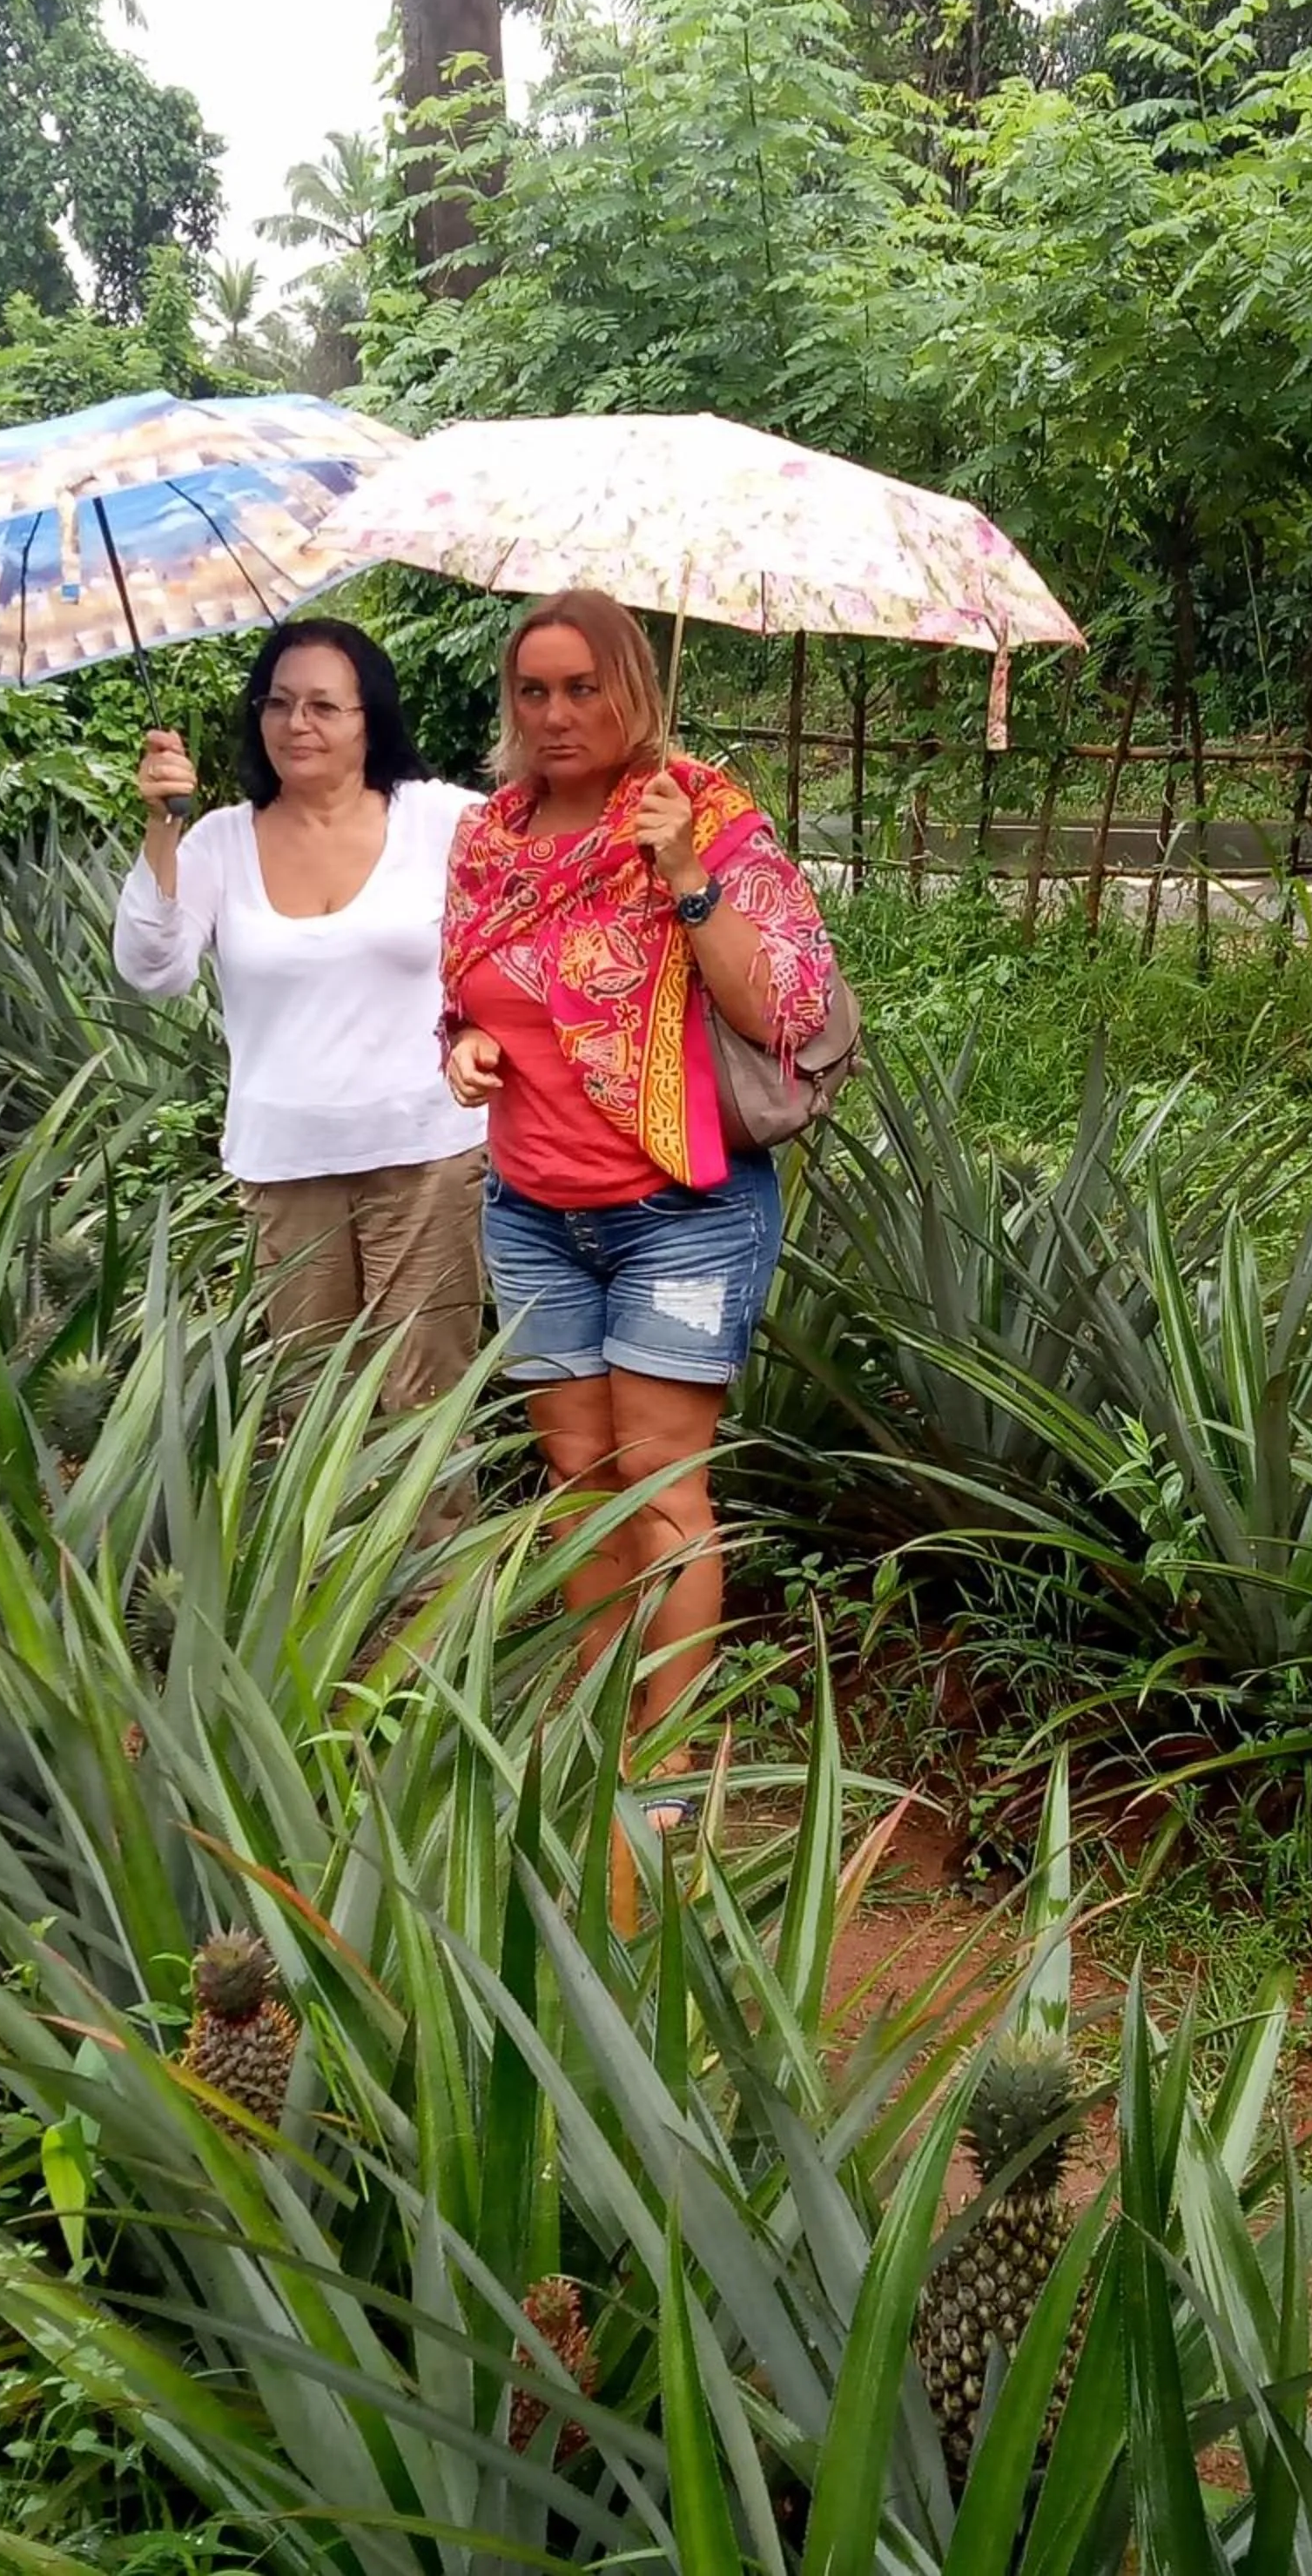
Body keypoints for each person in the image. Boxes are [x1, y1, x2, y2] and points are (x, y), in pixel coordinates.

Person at [440, 588, 836, 1817]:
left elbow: (786, 1010)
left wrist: (685, 875)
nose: (556, 713)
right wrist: (462, 1047)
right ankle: (599, 1724)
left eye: (584, 687)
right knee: (578, 1483)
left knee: (663, 1488)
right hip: (531, 1211)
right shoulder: (489, 835)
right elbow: (467, 990)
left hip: (680, 1212)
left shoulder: (703, 811)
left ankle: (665, 1760)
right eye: (534, 690)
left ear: (633, 689)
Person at [112, 618, 487, 1530]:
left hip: (426, 1155)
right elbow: (152, 969)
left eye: (324, 704)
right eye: (277, 703)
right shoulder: (219, 842)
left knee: (426, 1402)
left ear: (370, 717)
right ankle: (332, 1599)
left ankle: (440, 1605)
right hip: (288, 1167)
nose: (297, 723)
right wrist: (161, 826)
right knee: (316, 1401)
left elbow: (522, 926)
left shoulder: (440, 818)